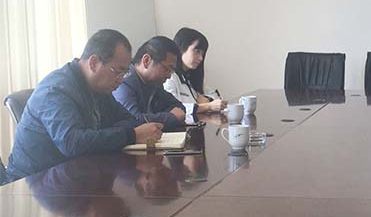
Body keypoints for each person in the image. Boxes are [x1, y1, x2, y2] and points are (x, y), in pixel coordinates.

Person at [4, 30, 163, 182]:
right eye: (117, 71)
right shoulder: (56, 90)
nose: (120, 80)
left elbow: (128, 120)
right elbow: (72, 143)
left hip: (72, 175)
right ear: (93, 63)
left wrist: (105, 135)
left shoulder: (99, 87)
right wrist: (131, 135)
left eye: (125, 73)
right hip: (31, 184)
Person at [113, 36, 186, 130]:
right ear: (146, 60)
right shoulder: (124, 82)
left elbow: (179, 107)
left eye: (171, 71)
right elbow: (133, 120)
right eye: (167, 69)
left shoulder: (154, 83)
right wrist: (170, 117)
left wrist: (158, 117)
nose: (169, 76)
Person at [164, 27, 226, 123]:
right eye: (197, 51)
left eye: (202, 53)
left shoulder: (190, 77)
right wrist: (207, 106)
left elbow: (215, 98)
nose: (201, 58)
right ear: (181, 49)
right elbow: (173, 109)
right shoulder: (169, 78)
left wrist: (208, 100)